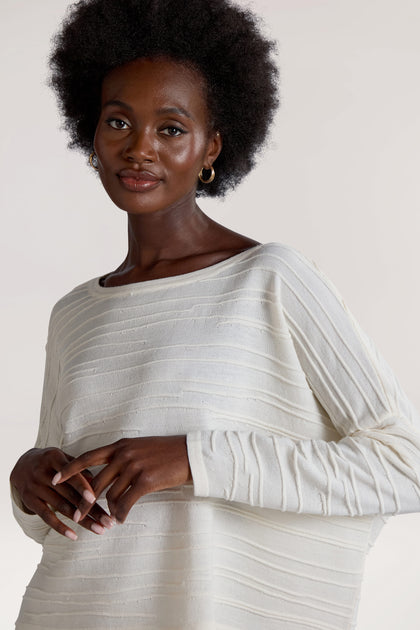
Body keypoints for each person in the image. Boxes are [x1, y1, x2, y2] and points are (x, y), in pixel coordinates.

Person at [9, 0, 420, 628]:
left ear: (211, 148)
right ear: (91, 137)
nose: (139, 148)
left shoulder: (271, 279)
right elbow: (67, 519)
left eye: (171, 128)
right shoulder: (74, 314)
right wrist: (28, 483)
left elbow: (403, 465)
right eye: (118, 122)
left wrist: (193, 458)